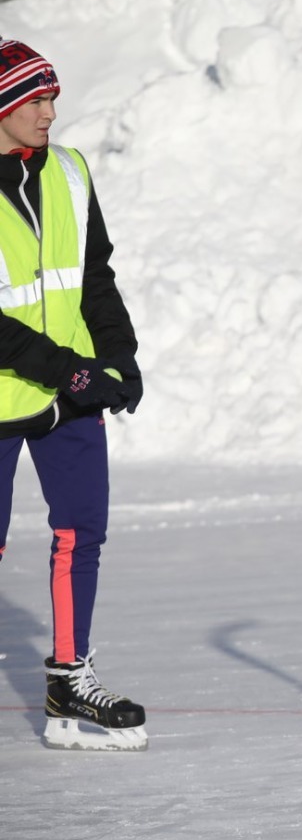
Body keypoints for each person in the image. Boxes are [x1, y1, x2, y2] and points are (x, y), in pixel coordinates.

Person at [0, 39, 146, 751]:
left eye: (52, 97)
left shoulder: (71, 172)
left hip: (73, 395)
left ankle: (69, 682)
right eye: (34, 99)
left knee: (80, 533)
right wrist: (65, 366)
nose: (49, 112)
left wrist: (119, 358)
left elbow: (94, 279)